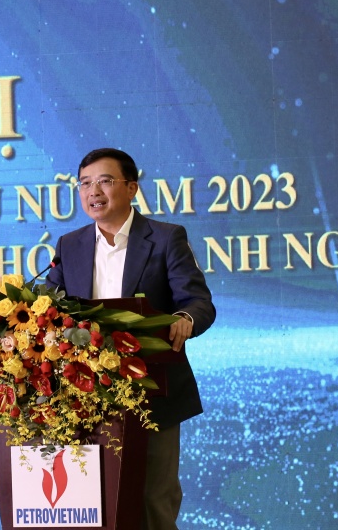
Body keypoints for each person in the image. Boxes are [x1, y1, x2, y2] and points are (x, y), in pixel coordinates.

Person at [45, 147, 215, 530]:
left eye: (105, 181)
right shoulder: (69, 245)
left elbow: (198, 302)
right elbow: (48, 307)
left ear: (132, 187)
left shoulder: (166, 238)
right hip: (83, 395)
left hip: (152, 390)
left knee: (153, 500)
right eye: (85, 183)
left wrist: (185, 319)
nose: (93, 191)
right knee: (94, 503)